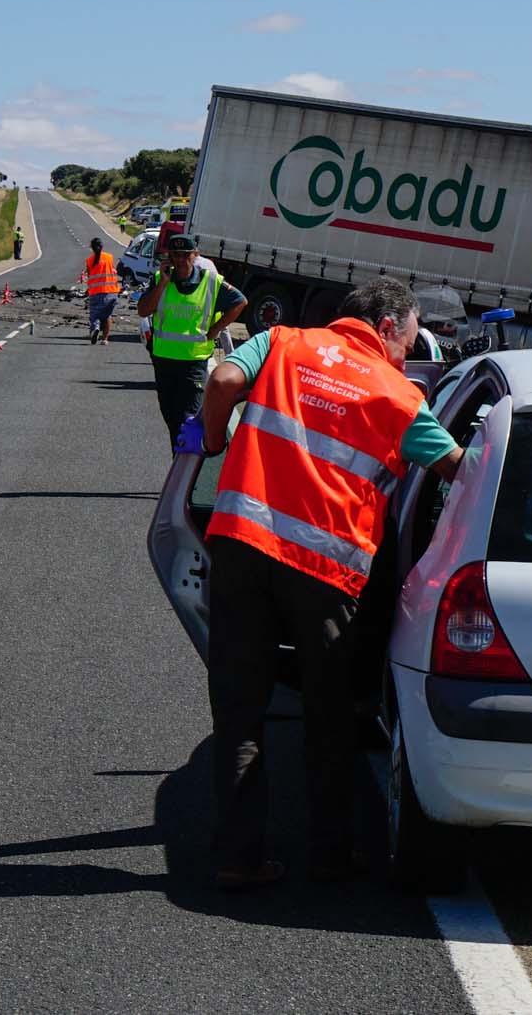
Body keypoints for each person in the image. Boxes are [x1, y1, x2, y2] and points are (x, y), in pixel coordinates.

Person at [196, 278, 466, 890]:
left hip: (241, 546)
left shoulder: (281, 341)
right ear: (391, 327)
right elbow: (459, 468)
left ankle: (238, 857)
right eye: (410, 335)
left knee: (239, 709)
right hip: (324, 572)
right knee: (330, 715)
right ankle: (331, 856)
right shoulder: (398, 394)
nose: (407, 350)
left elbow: (221, 382)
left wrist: (216, 441)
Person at [135, 234, 246, 441]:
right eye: (174, 254)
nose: (179, 259)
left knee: (188, 420)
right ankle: (178, 462)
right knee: (172, 419)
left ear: (195, 256)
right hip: (163, 360)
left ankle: (188, 466)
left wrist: (216, 329)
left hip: (193, 364)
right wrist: (162, 284)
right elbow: (143, 310)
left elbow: (240, 302)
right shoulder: (160, 280)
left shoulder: (211, 282)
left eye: (185, 255)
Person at [81, 236, 120, 345]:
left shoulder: (89, 261)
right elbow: (113, 271)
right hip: (112, 292)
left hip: (96, 292)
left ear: (92, 248)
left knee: (95, 315)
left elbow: (89, 275)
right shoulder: (109, 257)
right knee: (107, 315)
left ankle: (95, 328)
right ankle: (105, 339)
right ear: (102, 247)